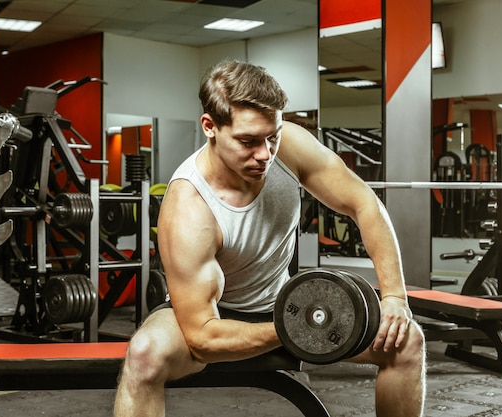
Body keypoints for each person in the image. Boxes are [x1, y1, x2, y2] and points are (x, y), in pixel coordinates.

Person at [114, 59, 426, 417]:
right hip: (207, 316)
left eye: (272, 137)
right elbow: (202, 337)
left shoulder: (289, 147)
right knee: (144, 355)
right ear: (210, 126)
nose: (264, 154)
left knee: (406, 342)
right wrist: (296, 326)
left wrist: (394, 297)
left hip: (284, 303)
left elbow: (364, 203)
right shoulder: (190, 207)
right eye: (248, 141)